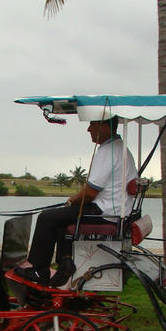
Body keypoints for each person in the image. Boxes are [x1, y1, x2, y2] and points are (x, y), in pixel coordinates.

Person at [15, 117, 137, 287]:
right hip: (113, 209)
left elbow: (90, 192)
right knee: (59, 216)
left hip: (106, 211)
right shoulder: (120, 148)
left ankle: (38, 269)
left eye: (92, 125)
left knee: (46, 218)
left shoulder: (107, 152)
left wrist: (73, 200)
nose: (89, 129)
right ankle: (65, 262)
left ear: (105, 127)